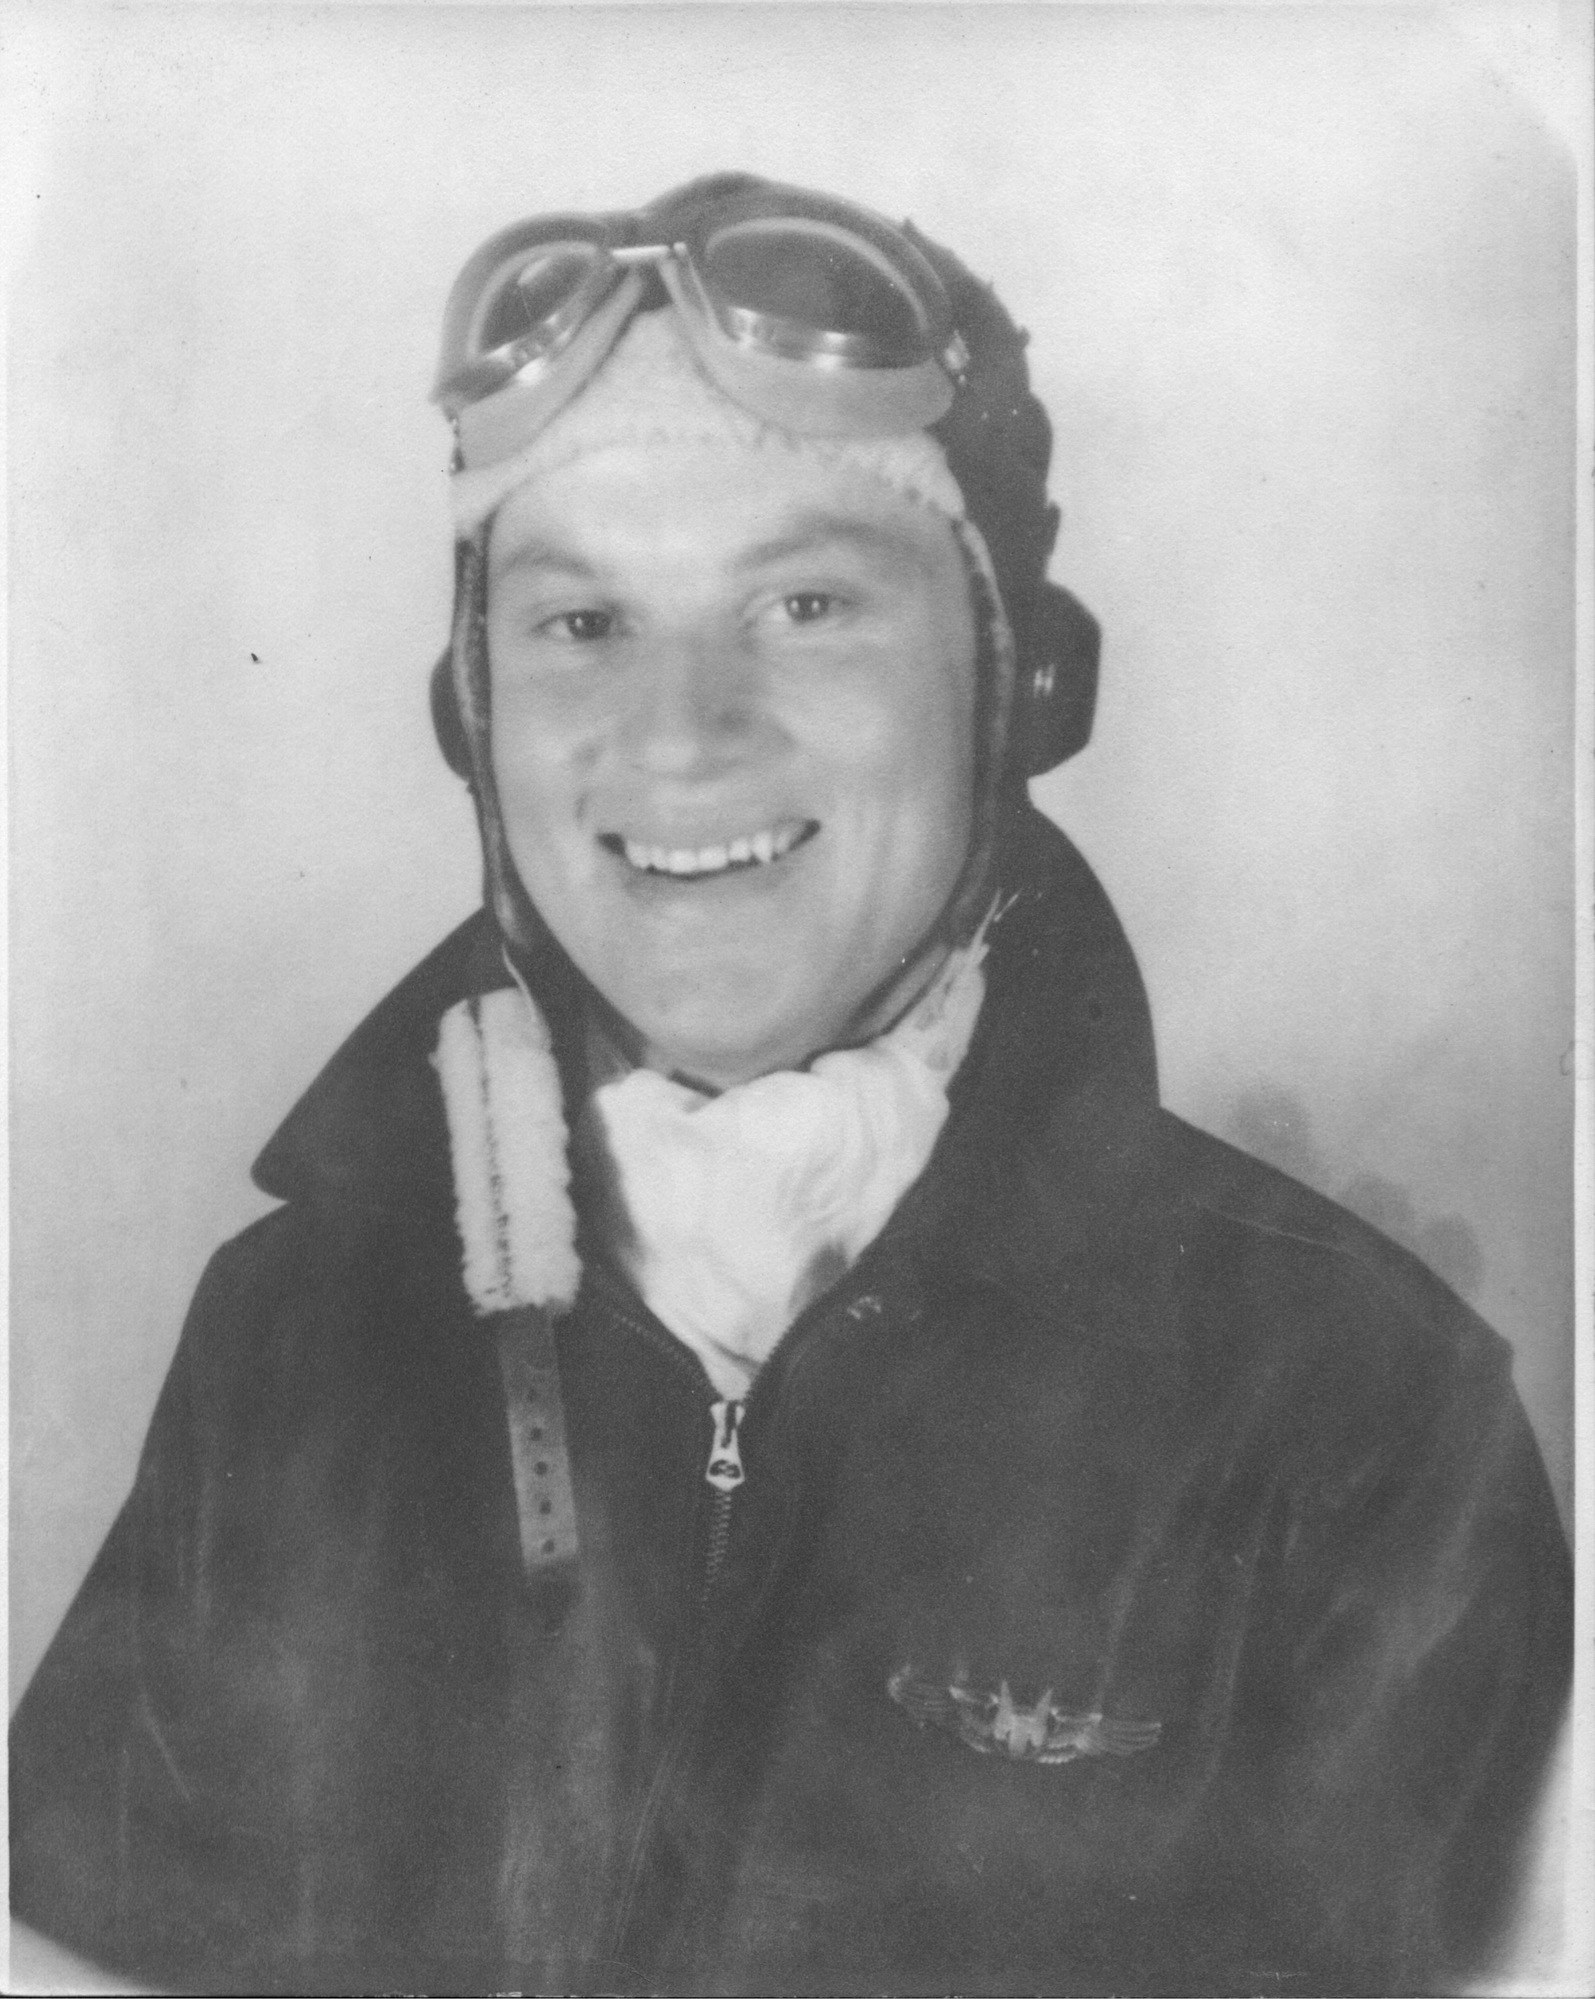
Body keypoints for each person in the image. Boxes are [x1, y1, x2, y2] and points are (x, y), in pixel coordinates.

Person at [9, 172, 1572, 1997]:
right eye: (579, 624)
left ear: (1018, 684)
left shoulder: (1364, 1426)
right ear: (470, 715)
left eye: (810, 602)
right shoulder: (289, 1340)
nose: (680, 738)